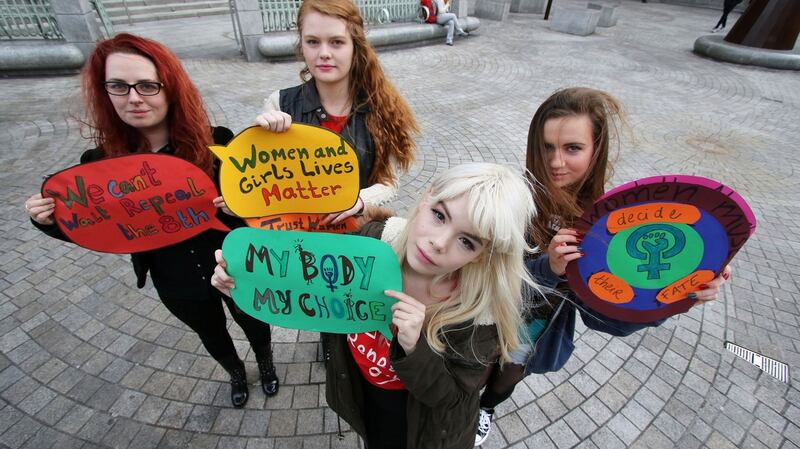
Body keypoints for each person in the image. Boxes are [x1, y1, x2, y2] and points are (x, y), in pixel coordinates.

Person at [22, 33, 278, 408]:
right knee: (210, 331)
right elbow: (94, 226)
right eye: (119, 86)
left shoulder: (217, 143)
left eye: (147, 85)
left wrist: (237, 204)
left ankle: (266, 364)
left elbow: (263, 207)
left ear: (170, 88)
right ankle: (235, 372)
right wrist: (48, 221)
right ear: (105, 92)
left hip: (236, 264)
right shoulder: (98, 164)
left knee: (254, 321)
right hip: (172, 275)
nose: (134, 97)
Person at [212, 162, 539, 449]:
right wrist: (244, 284)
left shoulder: (477, 314)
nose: (438, 243)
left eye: (466, 241)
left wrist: (416, 348)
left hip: (420, 424)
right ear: (425, 197)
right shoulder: (371, 242)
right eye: (439, 215)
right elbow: (305, 289)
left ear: (481, 254)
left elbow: (452, 399)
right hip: (366, 397)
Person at [473, 87, 732, 445]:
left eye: (573, 148)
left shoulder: (608, 224)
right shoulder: (510, 196)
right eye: (547, 146)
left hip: (534, 329)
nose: (556, 162)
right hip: (483, 316)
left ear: (597, 151)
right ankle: (463, 405)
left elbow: (604, 318)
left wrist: (673, 296)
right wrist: (548, 267)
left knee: (508, 373)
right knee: (473, 369)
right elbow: (479, 274)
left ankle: (486, 409)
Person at [255, 0, 418, 224]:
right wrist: (259, 141)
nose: (324, 53)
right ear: (301, 45)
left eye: (336, 42)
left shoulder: (379, 107)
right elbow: (262, 185)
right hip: (298, 238)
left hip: (356, 238)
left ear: (355, 46)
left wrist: (358, 200)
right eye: (312, 41)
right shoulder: (280, 104)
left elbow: (388, 182)